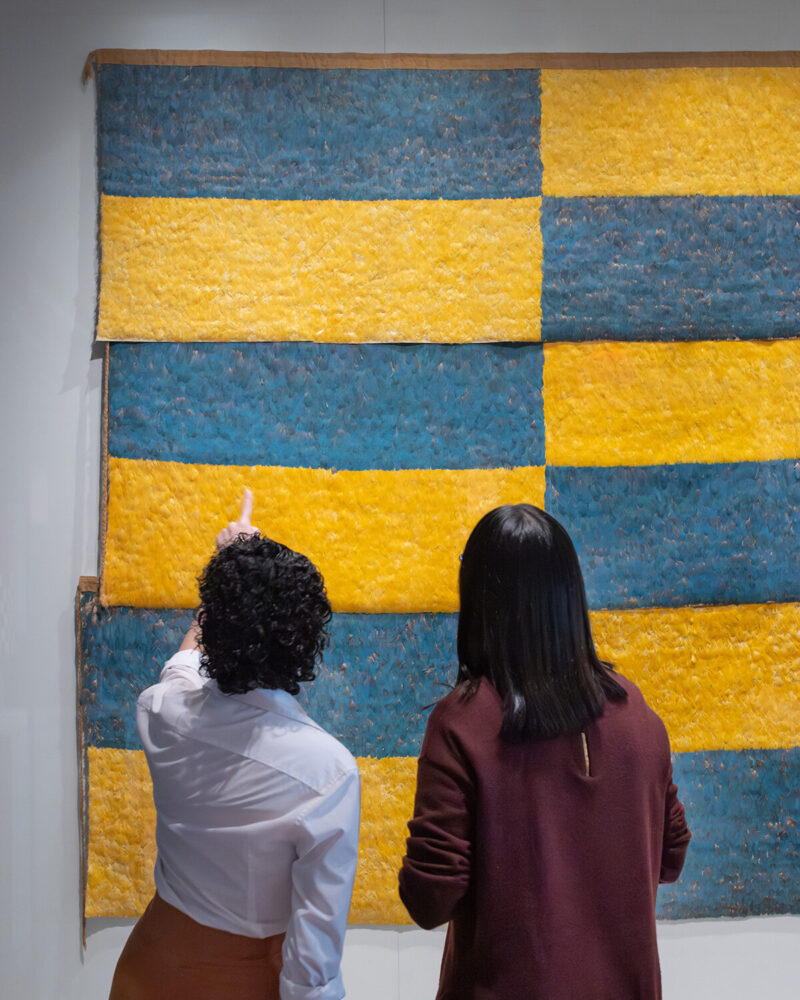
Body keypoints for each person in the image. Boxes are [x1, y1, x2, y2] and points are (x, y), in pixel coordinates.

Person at [398, 504, 690, 1000]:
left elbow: (430, 899)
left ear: (478, 598)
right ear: (570, 594)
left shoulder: (462, 721)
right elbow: (671, 857)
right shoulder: (636, 712)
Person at [110, 491, 360, 1000]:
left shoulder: (161, 711)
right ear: (308, 639)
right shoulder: (328, 773)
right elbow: (311, 967)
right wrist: (239, 572)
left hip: (148, 968)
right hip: (245, 982)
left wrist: (234, 567)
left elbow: (184, 663)